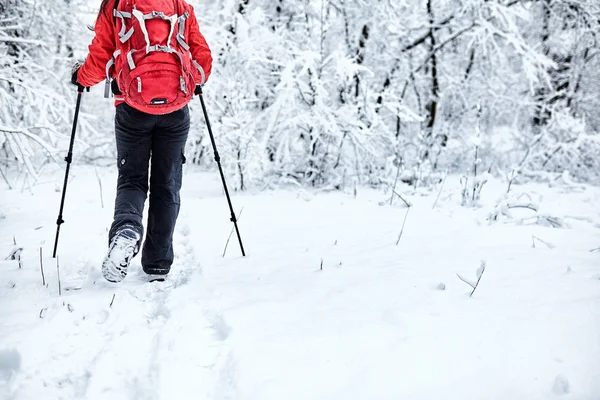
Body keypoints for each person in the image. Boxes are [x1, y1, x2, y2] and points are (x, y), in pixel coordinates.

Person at [71, 0, 212, 283]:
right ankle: (158, 263)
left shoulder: (116, 5)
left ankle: (127, 231)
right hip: (175, 111)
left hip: (131, 109)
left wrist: (80, 77)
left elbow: (100, 57)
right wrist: (188, 81)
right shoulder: (179, 5)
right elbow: (203, 58)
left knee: (132, 180)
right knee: (167, 184)